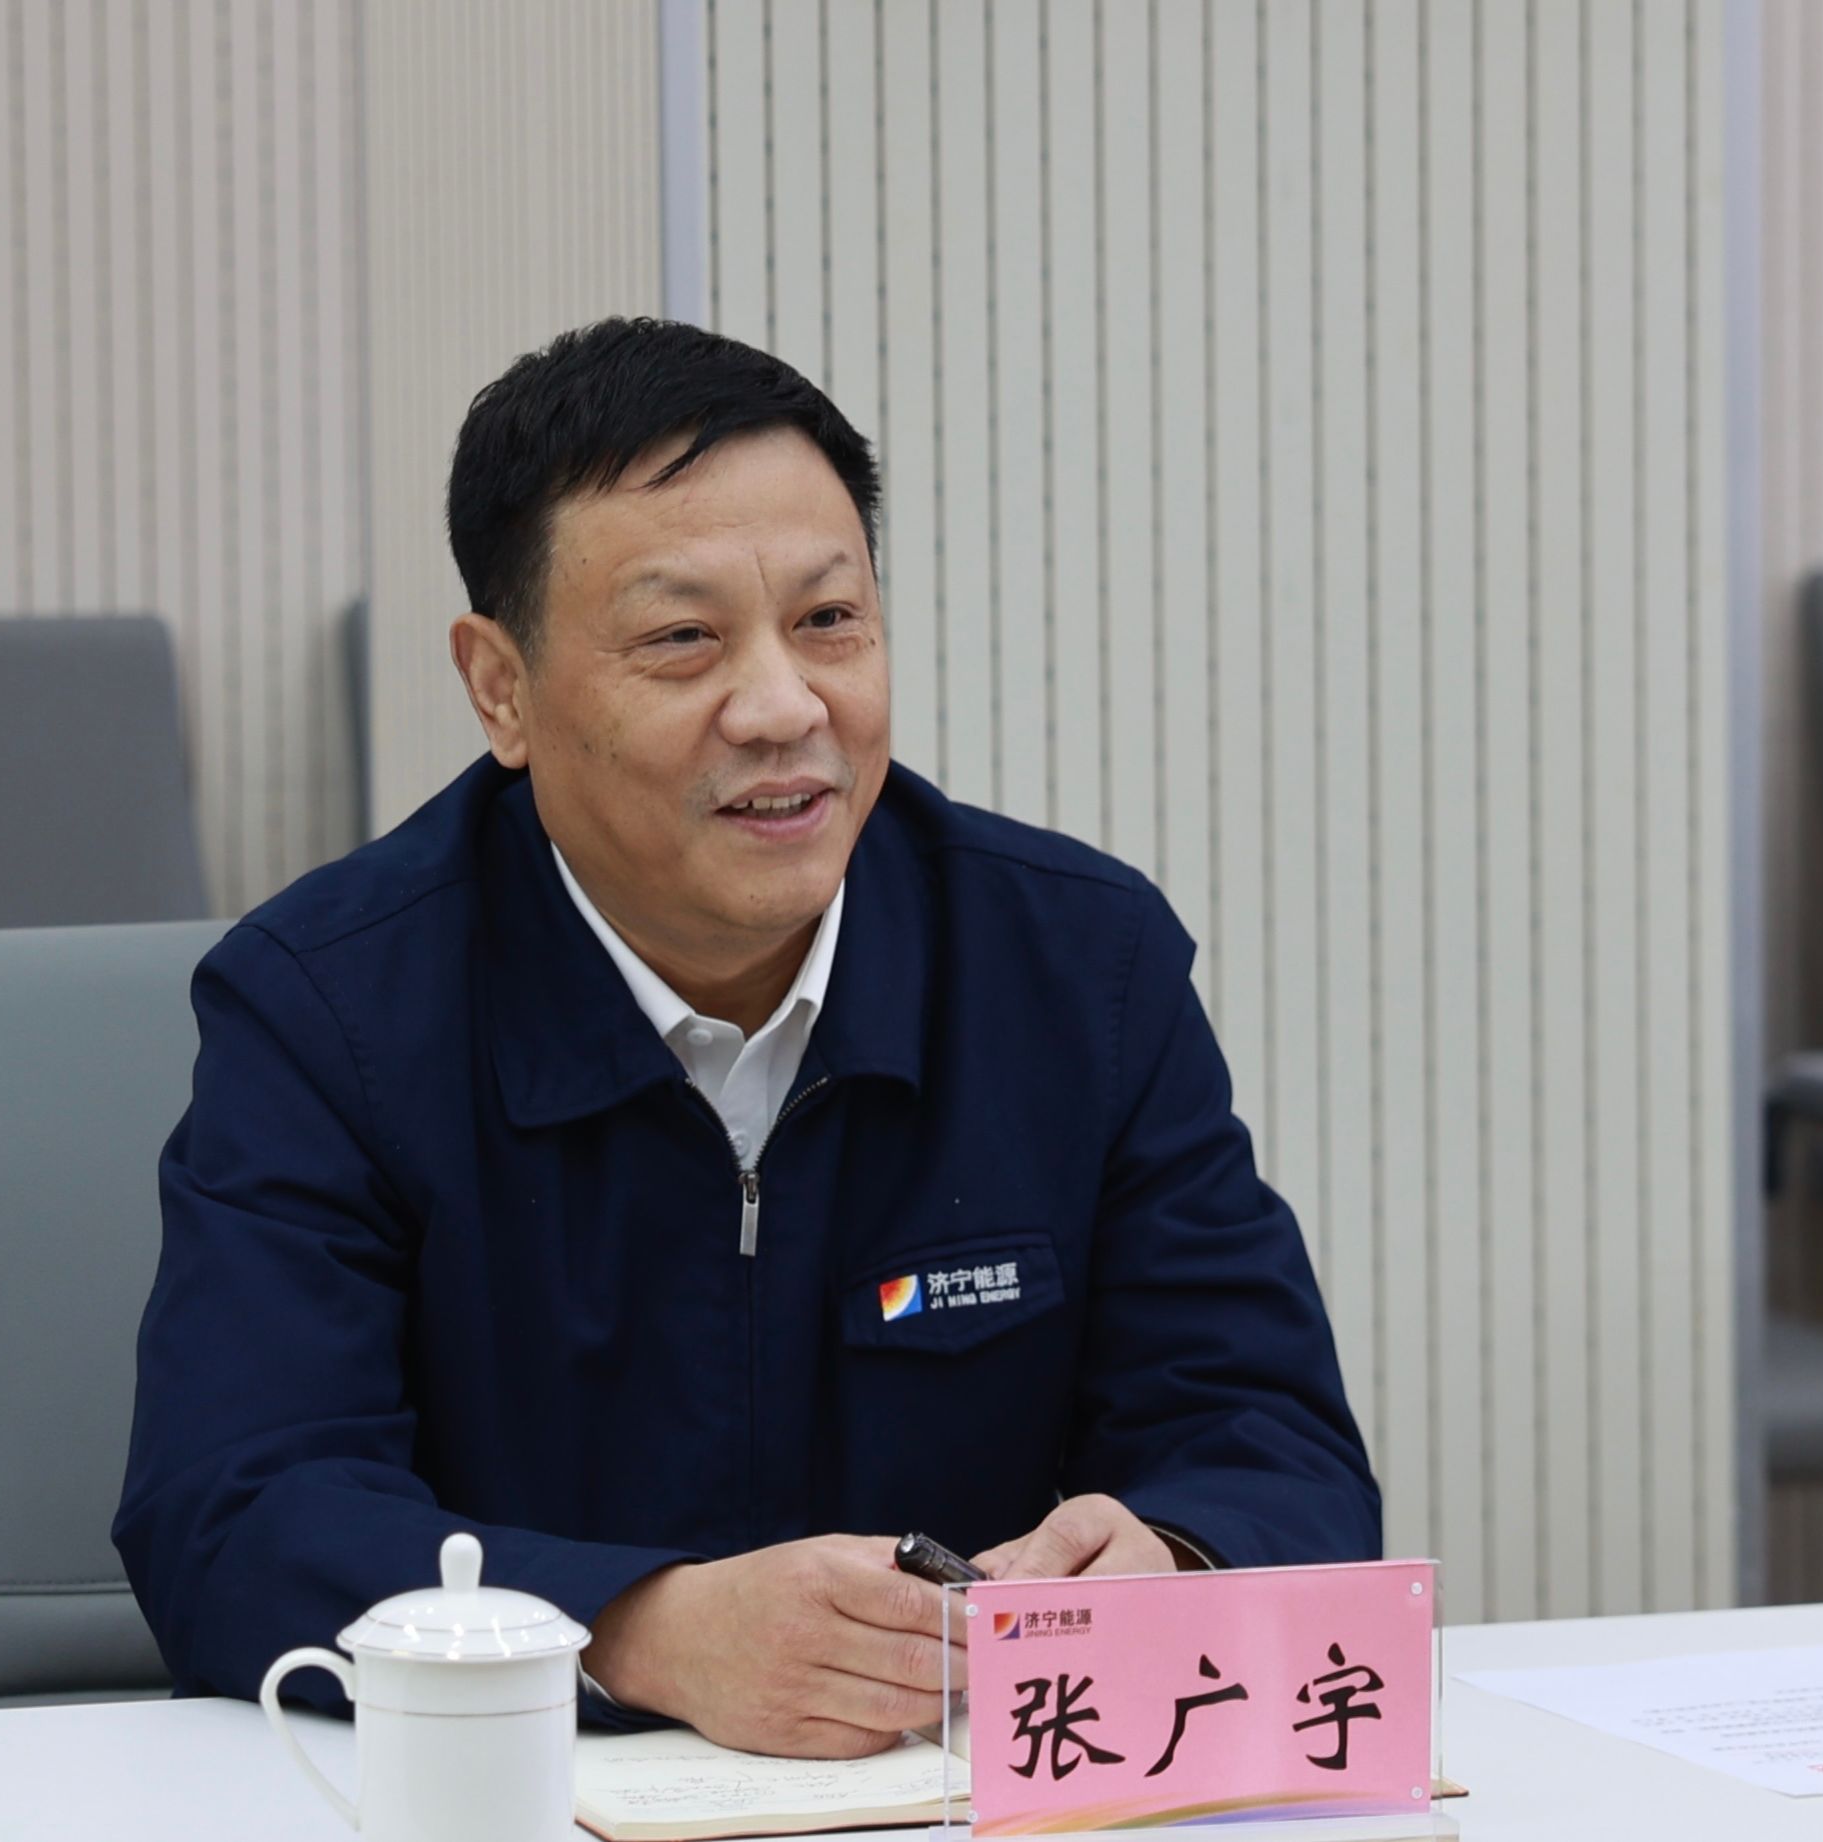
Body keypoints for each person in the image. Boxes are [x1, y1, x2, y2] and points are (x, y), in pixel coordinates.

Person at [113, 318, 1377, 1761]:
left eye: (830, 621)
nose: (785, 708)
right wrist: (635, 1628)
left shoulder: (1077, 966)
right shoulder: (329, 1009)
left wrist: (1177, 1559)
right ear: (501, 688)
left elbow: (1278, 1451)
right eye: (683, 639)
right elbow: (236, 1512)